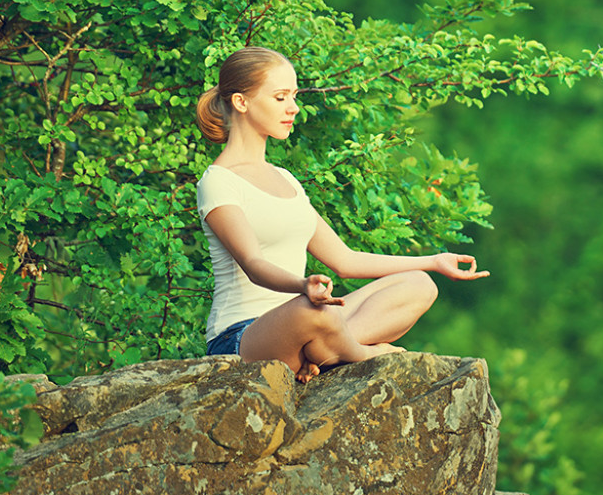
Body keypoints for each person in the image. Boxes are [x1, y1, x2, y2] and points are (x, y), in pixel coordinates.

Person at [195, 46, 489, 383]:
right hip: (243, 337)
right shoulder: (218, 182)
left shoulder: (285, 179)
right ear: (241, 102)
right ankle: (358, 352)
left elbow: (345, 260)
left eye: (294, 96)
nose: (293, 108)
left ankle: (323, 351)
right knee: (313, 313)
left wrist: (433, 261)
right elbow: (253, 264)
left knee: (418, 284)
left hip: (310, 321)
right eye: (280, 98)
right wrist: (302, 285)